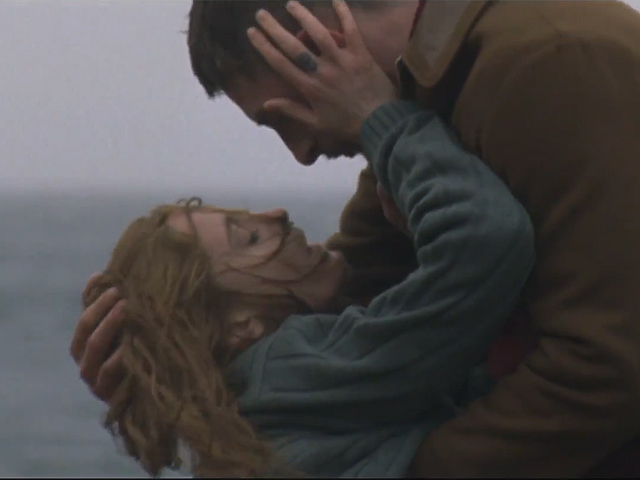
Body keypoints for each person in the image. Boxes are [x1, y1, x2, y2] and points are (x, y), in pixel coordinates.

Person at [72, 0, 640, 475]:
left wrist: (395, 469)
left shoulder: (549, 61)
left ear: (316, 43)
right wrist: (173, 360)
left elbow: (607, 370)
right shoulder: (418, 103)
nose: (301, 152)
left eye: (282, 118)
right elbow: (364, 286)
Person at [79, 105, 534, 477]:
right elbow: (488, 237)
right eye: (249, 238)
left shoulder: (245, 415)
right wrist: (385, 117)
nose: (277, 214)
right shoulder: (295, 366)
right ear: (240, 327)